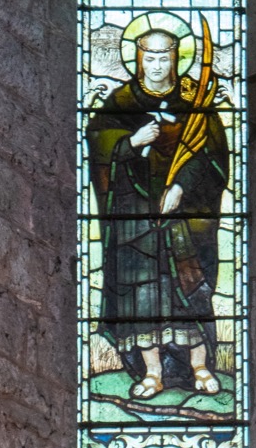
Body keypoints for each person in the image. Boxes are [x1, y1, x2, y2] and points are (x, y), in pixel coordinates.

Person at [87, 26, 228, 400]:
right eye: (149, 57)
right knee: (142, 294)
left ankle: (199, 365)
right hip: (135, 215)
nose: (156, 65)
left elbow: (212, 157)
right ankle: (152, 373)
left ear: (176, 59)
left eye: (164, 57)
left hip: (183, 214)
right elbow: (99, 150)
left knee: (190, 288)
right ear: (138, 59)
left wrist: (181, 186)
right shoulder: (120, 102)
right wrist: (131, 142)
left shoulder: (195, 104)